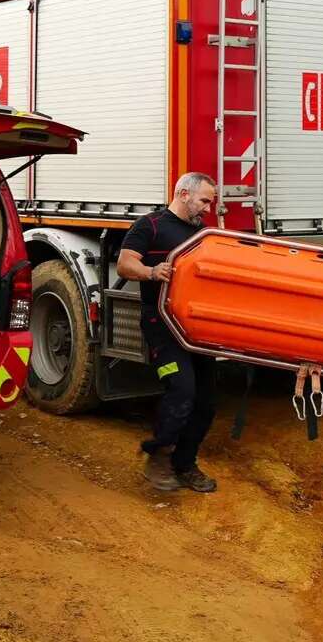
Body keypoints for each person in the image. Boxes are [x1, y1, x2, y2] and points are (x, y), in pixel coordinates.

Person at [116, 172, 221, 493]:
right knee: (181, 390)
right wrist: (151, 271)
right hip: (161, 325)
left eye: (211, 202)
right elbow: (124, 264)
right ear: (184, 193)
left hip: (195, 328)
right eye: (204, 200)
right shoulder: (150, 225)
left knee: (207, 400)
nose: (208, 208)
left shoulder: (203, 234)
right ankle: (159, 456)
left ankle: (185, 464)